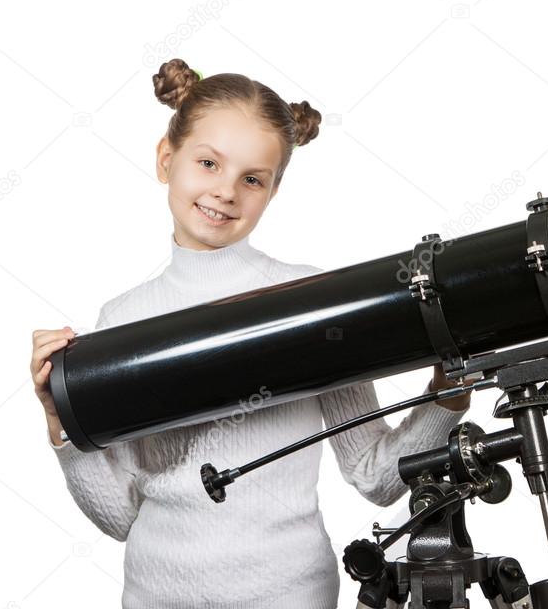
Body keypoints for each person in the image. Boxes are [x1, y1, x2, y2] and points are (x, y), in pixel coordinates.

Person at [29, 58, 470, 608]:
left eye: (252, 179)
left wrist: (445, 399)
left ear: (273, 190)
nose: (226, 192)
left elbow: (374, 477)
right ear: (167, 158)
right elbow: (119, 517)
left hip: (288, 593)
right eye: (208, 163)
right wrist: (62, 425)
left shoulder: (313, 302)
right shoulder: (122, 319)